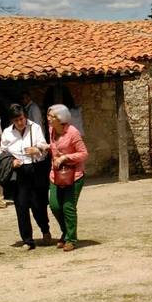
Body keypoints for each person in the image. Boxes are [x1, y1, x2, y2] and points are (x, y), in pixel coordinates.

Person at [0, 103, 52, 249]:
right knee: (21, 206)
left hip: (35, 168)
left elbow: (44, 146)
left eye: (21, 119)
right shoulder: (7, 133)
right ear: (12, 121)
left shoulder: (34, 127)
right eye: (16, 120)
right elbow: (2, 153)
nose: (20, 122)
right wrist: (12, 161)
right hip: (19, 171)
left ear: (25, 117)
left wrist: (37, 149)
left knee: (38, 205)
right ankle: (28, 240)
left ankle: (45, 229)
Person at [47, 103, 89, 250]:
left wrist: (65, 158)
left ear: (60, 118)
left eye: (51, 116)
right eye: (49, 116)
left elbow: (84, 153)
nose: (49, 119)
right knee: (55, 206)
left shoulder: (73, 132)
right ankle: (65, 231)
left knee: (68, 207)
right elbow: (54, 147)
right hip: (56, 174)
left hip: (74, 175)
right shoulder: (51, 130)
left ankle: (71, 239)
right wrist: (43, 147)